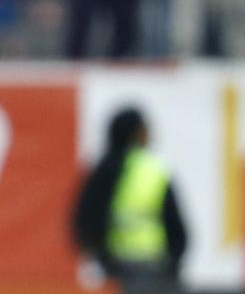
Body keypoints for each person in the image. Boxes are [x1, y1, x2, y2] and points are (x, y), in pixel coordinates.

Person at [72, 105, 189, 284]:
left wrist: (103, 259)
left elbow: (85, 226)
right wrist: (171, 266)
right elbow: (178, 231)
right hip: (154, 269)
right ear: (136, 133)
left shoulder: (102, 171)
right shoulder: (154, 171)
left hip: (116, 270)